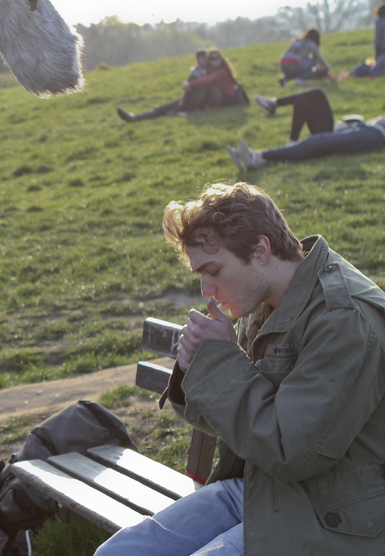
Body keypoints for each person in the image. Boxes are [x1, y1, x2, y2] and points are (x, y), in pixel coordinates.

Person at [94, 182, 385, 556]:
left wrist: (220, 362)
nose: (206, 289)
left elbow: (290, 452)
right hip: (263, 487)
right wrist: (194, 365)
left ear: (261, 250)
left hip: (333, 510)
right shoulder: (264, 300)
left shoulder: (344, 319)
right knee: (118, 553)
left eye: (213, 270)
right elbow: (235, 424)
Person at [229, 89, 383, 169]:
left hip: (373, 134)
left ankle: (258, 156)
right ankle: (288, 145)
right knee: (302, 102)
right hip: (360, 126)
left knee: (317, 141)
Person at [118, 49, 245, 123]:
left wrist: (189, 84)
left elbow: (207, 80)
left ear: (221, 59)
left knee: (201, 84)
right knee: (176, 102)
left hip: (225, 100)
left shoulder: (221, 70)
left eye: (218, 58)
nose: (216, 61)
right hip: (213, 100)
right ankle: (139, 117)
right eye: (212, 59)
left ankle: (182, 109)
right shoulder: (209, 71)